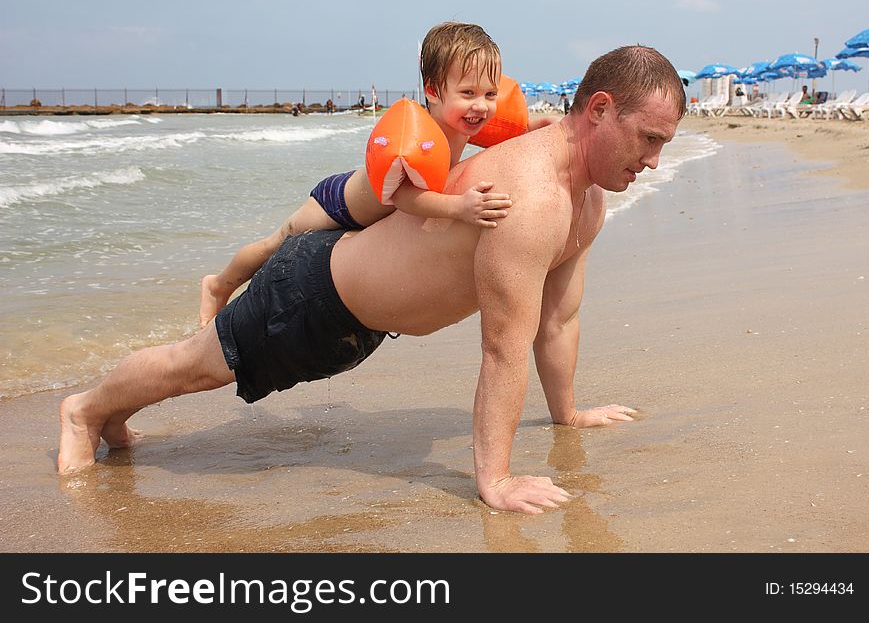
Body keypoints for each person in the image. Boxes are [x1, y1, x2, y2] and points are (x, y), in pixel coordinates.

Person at [57, 45, 685, 514]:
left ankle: (114, 418)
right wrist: (494, 480)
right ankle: (84, 412)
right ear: (600, 109)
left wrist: (567, 414)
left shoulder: (587, 204)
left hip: (360, 322)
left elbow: (558, 319)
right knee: (194, 366)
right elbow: (503, 346)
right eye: (648, 139)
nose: (654, 162)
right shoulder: (532, 200)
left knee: (198, 369)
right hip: (316, 293)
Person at [198, 22, 523, 328]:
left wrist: (537, 126)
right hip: (336, 203)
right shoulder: (422, 132)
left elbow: (503, 130)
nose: (481, 106)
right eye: (468, 93)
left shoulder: (463, 121)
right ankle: (217, 285)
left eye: (490, 94)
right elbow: (403, 196)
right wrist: (460, 207)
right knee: (275, 246)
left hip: (363, 212)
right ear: (433, 91)